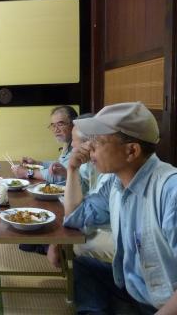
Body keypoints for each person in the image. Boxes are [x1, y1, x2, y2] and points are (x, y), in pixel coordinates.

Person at [63, 102, 177, 314]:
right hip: (133, 288)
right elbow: (76, 217)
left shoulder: (170, 191)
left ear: (131, 150)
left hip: (161, 304)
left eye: (98, 141)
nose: (89, 147)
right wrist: (72, 169)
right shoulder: (114, 184)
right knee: (82, 266)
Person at [46, 114, 114, 268]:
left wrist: (57, 241)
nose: (56, 129)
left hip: (120, 235)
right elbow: (82, 210)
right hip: (99, 220)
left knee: (77, 243)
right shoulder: (99, 170)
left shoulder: (109, 171)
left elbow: (80, 216)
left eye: (75, 147)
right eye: (52, 125)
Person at [11, 105, 77, 184]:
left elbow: (58, 176)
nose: (56, 130)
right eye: (53, 125)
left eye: (60, 124)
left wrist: (27, 173)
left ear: (74, 124)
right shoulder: (68, 143)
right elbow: (59, 166)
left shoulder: (79, 145)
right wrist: (37, 164)